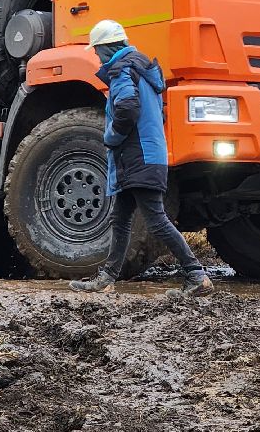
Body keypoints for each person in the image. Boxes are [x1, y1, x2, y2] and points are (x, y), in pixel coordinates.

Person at [70, 20, 214, 297]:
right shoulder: (141, 70)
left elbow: (126, 108)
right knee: (120, 218)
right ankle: (108, 278)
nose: (96, 56)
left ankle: (197, 274)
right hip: (143, 155)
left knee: (156, 219)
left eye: (96, 50)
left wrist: (111, 136)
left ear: (106, 48)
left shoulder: (123, 69)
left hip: (139, 157)